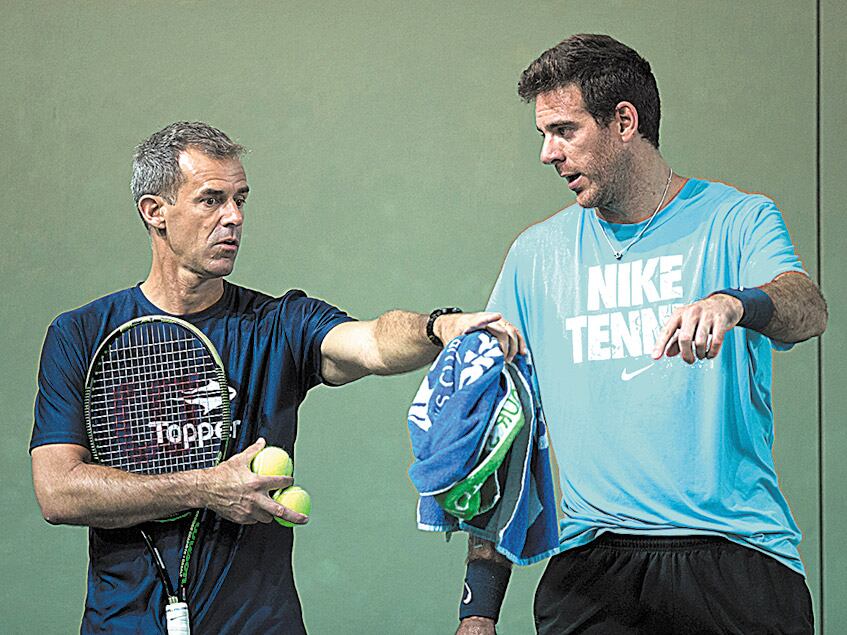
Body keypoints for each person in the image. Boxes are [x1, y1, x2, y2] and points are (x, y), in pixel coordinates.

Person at [29, 121, 525, 634]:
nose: (234, 218)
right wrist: (207, 487)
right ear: (154, 211)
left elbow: (373, 343)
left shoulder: (279, 325)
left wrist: (438, 326)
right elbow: (58, 492)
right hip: (121, 624)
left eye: (240, 199)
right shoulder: (81, 334)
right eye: (211, 200)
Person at [456, 34, 827, 635]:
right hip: (591, 567)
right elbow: (503, 435)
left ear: (624, 121)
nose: (548, 154)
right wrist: (479, 608)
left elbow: (808, 310)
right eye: (543, 134)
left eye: (564, 130)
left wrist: (737, 303)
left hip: (734, 556)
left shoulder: (738, 219)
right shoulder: (535, 256)